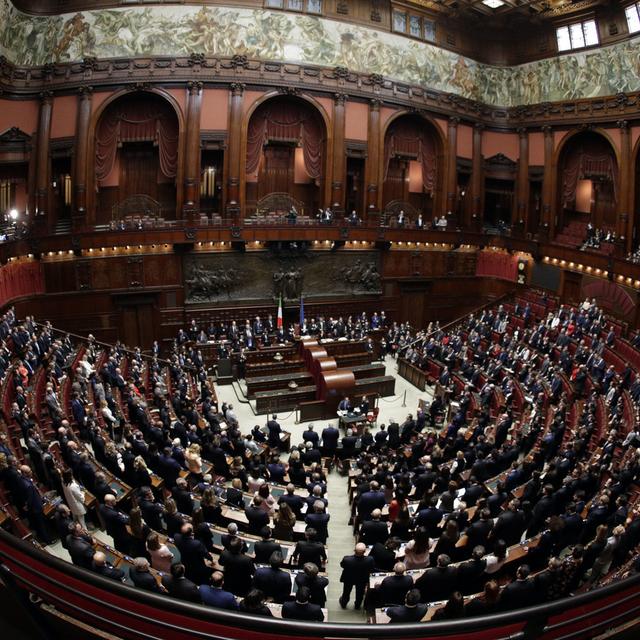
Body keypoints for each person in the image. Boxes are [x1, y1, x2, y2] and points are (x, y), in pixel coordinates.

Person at [339, 542, 375, 610]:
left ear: (354, 550)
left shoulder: (347, 559)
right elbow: (371, 568)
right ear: (364, 551)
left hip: (349, 578)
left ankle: (344, 603)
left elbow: (342, 565)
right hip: (362, 579)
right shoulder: (370, 560)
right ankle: (357, 605)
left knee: (346, 592)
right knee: (360, 593)